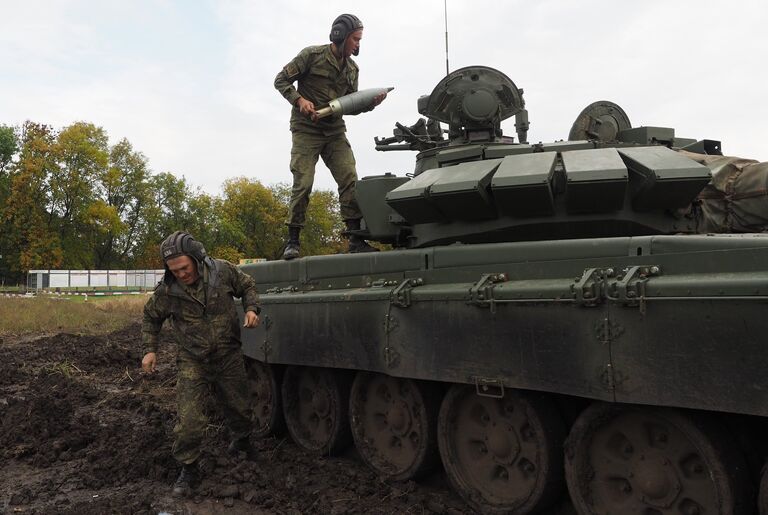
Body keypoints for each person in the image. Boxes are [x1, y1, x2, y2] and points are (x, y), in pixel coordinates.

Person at [141, 231, 261, 498]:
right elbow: (151, 318)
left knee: (240, 408)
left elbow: (248, 285)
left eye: (184, 267)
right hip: (192, 359)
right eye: (174, 269)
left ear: (197, 258)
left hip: (228, 355)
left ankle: (242, 443)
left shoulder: (222, 272)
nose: (181, 273)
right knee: (190, 420)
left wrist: (252, 308)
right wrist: (150, 350)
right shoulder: (168, 291)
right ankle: (189, 467)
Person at [274, 13, 387, 260]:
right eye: (355, 39)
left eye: (360, 39)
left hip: (335, 131)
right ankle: (292, 240)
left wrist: (372, 104)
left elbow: (351, 105)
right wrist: (300, 100)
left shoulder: (352, 70)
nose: (358, 44)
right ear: (341, 36)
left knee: (349, 180)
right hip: (306, 130)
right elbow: (281, 80)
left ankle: (355, 239)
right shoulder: (311, 56)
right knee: (303, 183)